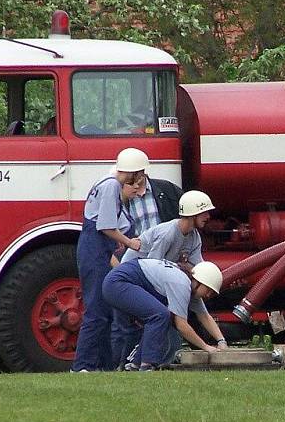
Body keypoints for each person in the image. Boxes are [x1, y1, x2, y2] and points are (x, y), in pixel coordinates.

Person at [116, 190, 229, 368]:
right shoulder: (168, 233)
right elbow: (150, 267)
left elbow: (199, 272)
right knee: (154, 320)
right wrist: (207, 347)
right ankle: (129, 365)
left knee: (165, 319)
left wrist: (221, 341)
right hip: (135, 280)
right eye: (204, 212)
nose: (208, 216)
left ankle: (145, 364)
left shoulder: (194, 238)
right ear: (192, 213)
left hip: (164, 281)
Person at [70, 148, 145, 372]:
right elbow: (105, 226)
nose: (140, 180)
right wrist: (129, 242)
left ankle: (103, 365)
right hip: (94, 249)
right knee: (95, 311)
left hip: (95, 248)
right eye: (139, 175)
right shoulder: (112, 185)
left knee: (103, 310)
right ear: (133, 173)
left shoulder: (104, 182)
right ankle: (82, 364)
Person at [103, 259, 224, 371]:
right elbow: (181, 325)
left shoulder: (188, 284)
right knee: (160, 315)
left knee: (157, 317)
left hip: (118, 282)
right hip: (118, 283)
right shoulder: (181, 284)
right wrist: (206, 347)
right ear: (199, 282)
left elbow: (204, 316)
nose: (208, 295)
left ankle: (136, 364)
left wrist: (221, 341)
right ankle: (147, 364)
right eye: (209, 290)